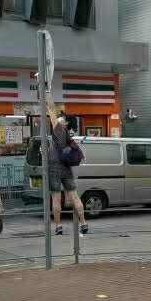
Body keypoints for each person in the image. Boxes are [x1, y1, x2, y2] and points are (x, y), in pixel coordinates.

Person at [46, 93, 88, 236]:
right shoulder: (68, 135)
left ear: (65, 123)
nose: (59, 118)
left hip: (55, 168)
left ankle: (58, 226)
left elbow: (51, 110)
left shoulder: (58, 129)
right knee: (74, 196)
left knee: (56, 198)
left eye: (62, 118)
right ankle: (83, 223)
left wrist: (47, 94)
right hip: (66, 168)